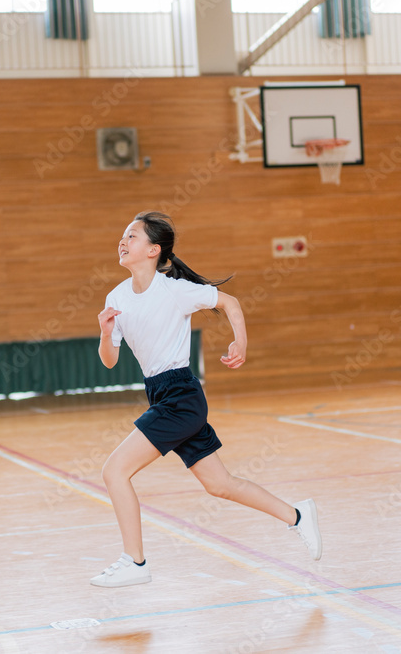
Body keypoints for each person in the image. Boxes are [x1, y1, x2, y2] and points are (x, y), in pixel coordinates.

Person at [91, 211, 321, 588]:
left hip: (180, 397)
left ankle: (135, 563)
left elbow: (230, 303)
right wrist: (104, 334)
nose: (123, 240)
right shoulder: (116, 297)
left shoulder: (175, 289)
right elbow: (110, 361)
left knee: (114, 471)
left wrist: (240, 341)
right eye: (123, 235)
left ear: (153, 250)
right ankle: (298, 515)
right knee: (220, 484)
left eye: (131, 236)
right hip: (161, 395)